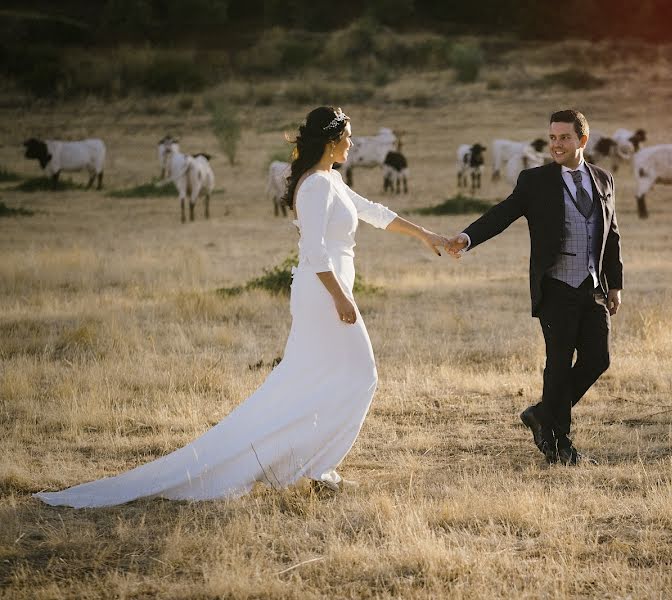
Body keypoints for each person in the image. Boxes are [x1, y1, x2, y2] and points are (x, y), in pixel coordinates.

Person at [34, 106, 449, 507]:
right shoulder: (317, 185)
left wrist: (426, 235)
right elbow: (313, 249)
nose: (353, 143)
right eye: (348, 136)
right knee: (363, 373)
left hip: (330, 291)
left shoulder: (331, 180)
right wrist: (340, 298)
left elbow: (374, 213)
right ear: (331, 139)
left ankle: (316, 470)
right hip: (324, 293)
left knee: (317, 379)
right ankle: (317, 468)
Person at [447, 109, 623, 466]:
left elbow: (612, 234)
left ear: (582, 140)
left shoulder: (604, 180)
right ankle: (560, 446)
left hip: (592, 287)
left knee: (597, 359)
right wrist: (467, 238)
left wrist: (615, 284)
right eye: (553, 138)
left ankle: (542, 413)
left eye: (564, 138)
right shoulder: (536, 180)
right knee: (558, 364)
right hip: (555, 285)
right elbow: (502, 213)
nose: (556, 145)